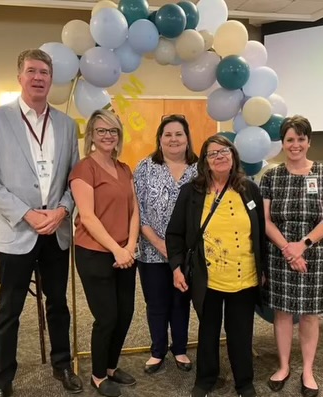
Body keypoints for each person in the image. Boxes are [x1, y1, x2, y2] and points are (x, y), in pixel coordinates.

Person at [0, 48, 82, 397]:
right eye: (32, 71)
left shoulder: (67, 125)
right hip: (16, 231)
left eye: (45, 73)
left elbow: (74, 180)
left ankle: (62, 364)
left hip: (56, 231)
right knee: (10, 310)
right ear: (19, 76)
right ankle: (2, 380)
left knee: (58, 304)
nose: (38, 78)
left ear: (52, 79)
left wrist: (62, 211)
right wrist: (27, 213)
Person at [166, 135, 267, 397]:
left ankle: (244, 381)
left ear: (233, 156)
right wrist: (177, 267)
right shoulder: (192, 192)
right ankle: (205, 378)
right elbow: (175, 233)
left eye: (225, 151)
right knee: (208, 331)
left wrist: (263, 270)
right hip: (207, 277)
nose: (220, 156)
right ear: (205, 162)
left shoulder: (249, 189)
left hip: (244, 275)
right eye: (213, 153)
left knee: (241, 333)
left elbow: (260, 234)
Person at [259, 115, 323, 397]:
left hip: (317, 255)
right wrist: (288, 248)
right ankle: (283, 366)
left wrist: (303, 245)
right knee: (282, 313)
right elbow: (266, 220)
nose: (295, 145)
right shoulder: (271, 176)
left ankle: (308, 370)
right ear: (282, 143)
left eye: (301, 139)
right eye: (290, 139)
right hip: (281, 253)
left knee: (310, 316)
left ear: (309, 142)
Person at [70, 109, 140, 397]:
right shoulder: (84, 169)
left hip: (125, 252)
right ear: (91, 136)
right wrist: (115, 249)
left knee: (125, 314)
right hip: (95, 253)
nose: (108, 135)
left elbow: (134, 210)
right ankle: (98, 376)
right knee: (107, 316)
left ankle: (111, 367)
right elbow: (87, 217)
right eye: (101, 130)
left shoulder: (124, 168)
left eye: (113, 131)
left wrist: (129, 246)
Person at [133, 114, 198, 374]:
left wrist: (177, 252)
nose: (173, 139)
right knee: (157, 303)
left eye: (178, 134)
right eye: (167, 134)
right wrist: (160, 244)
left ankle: (180, 349)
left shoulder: (199, 169)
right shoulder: (145, 167)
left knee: (181, 301)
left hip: (187, 254)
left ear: (187, 138)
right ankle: (158, 351)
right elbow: (138, 211)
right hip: (151, 250)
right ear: (159, 139)